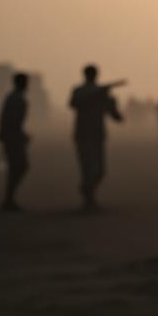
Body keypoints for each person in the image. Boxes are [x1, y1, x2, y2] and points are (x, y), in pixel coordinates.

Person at [68, 65, 123, 211]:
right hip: (83, 134)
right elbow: (73, 103)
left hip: (97, 134)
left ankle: (87, 192)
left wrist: (110, 102)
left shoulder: (100, 93)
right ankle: (89, 200)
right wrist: (96, 94)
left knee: (99, 170)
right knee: (87, 168)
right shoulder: (79, 91)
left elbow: (114, 114)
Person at [0, 72, 29, 210]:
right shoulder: (16, 99)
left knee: (17, 167)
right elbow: (11, 119)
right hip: (13, 137)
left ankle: (9, 198)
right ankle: (9, 199)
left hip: (13, 135)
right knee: (19, 166)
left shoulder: (14, 98)